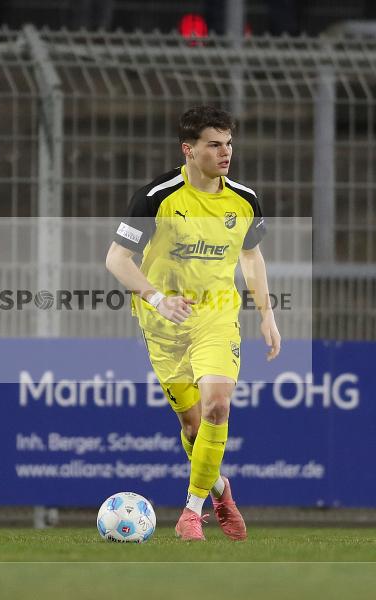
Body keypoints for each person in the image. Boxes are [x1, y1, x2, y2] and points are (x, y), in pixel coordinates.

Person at [105, 105, 281, 541]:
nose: (226, 153)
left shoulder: (244, 199)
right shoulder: (156, 198)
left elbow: (251, 256)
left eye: (229, 144)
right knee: (194, 427)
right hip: (163, 324)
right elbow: (116, 259)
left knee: (219, 405)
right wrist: (158, 298)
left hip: (217, 316)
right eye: (214, 145)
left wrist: (266, 314)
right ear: (189, 149)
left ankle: (191, 511)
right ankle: (220, 489)